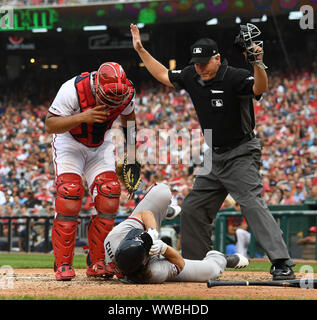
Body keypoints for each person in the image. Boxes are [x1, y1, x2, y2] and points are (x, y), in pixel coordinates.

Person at [130, 23, 295, 280]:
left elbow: (259, 89)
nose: (200, 68)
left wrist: (258, 64)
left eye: (205, 62)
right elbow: (164, 75)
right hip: (214, 155)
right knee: (194, 208)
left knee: (250, 203)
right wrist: (140, 49)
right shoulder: (192, 75)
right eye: (196, 63)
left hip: (241, 152)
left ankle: (282, 262)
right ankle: (197, 265)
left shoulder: (235, 76)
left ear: (217, 59)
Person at [45, 62, 137, 281]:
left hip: (100, 143)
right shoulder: (72, 89)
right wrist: (82, 117)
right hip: (69, 141)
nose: (113, 103)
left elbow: (129, 118)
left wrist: (132, 155)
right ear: (97, 86)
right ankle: (63, 263)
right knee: (70, 193)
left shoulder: (126, 91)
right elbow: (50, 125)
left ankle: (98, 261)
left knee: (110, 194)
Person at [104, 183, 249, 284]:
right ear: (145, 259)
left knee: (162, 192)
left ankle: (163, 211)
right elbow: (180, 263)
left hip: (135, 253)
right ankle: (220, 258)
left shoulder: (114, 238)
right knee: (209, 271)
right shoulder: (153, 273)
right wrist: (165, 249)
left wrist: (152, 233)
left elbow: (145, 213)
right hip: (159, 262)